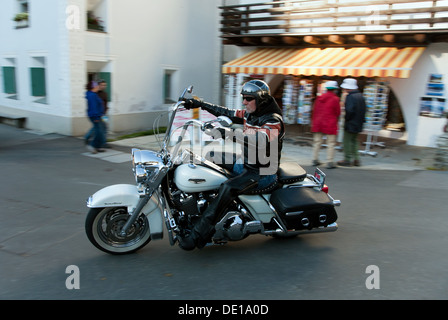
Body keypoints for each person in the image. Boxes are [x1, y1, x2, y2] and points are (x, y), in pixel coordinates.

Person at [177, 80, 285, 250]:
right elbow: (225, 111)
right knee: (209, 156)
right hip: (246, 163)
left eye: (248, 98)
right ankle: (201, 204)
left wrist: (227, 133)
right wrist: (198, 104)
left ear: (261, 99)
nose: (244, 102)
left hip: (263, 172)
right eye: (243, 98)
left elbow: (261, 139)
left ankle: (198, 235)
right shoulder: (250, 113)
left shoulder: (273, 119)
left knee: (227, 187)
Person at [311, 81, 341, 169]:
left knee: (317, 142)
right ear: (335, 89)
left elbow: (314, 110)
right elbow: (337, 112)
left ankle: (314, 159)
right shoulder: (335, 99)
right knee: (331, 143)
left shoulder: (319, 98)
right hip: (329, 122)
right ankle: (329, 161)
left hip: (318, 122)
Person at [337, 78, 366, 167]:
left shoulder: (350, 97)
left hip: (351, 123)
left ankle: (347, 159)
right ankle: (356, 159)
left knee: (347, 141)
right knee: (354, 141)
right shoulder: (361, 96)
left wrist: (347, 119)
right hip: (359, 122)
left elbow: (349, 110)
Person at [85, 81, 106, 154]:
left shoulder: (94, 94)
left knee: (101, 130)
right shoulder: (92, 95)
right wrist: (96, 117)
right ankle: (92, 145)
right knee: (98, 132)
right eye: (97, 86)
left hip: (99, 115)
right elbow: (93, 107)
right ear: (93, 87)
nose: (98, 87)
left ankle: (98, 146)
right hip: (95, 116)